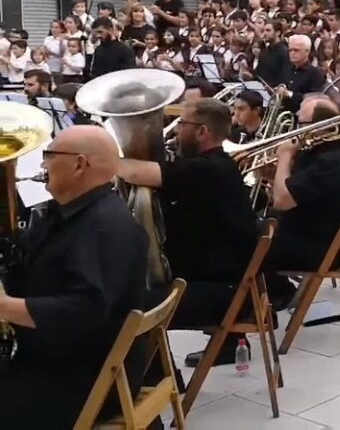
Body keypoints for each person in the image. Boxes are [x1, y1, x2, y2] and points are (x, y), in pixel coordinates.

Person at [0, 125, 148, 429]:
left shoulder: (103, 227)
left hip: (81, 379)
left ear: (80, 164)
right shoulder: (72, 212)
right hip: (62, 361)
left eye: (49, 155)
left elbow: (82, 311)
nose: (42, 164)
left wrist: (4, 307)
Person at [117, 98, 259, 366]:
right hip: (224, 283)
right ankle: (218, 350)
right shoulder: (213, 166)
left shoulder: (209, 170)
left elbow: (137, 172)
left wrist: (99, 158)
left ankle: (156, 379)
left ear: (202, 131)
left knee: (125, 308)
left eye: (182, 124)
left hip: (227, 296)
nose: (175, 130)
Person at [264, 95, 340, 295]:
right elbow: (293, 193)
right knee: (245, 230)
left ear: (320, 126)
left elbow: (282, 201)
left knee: (245, 245)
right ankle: (268, 297)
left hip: (319, 248)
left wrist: (285, 156)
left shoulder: (331, 161)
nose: (296, 130)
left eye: (301, 123)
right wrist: (272, 176)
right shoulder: (320, 151)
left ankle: (277, 296)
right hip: (307, 233)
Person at [279, 34, 325, 115]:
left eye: (296, 50)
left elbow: (314, 98)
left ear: (307, 51)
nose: (292, 53)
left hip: (302, 115)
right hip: (284, 113)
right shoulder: (286, 68)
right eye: (290, 50)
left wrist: (290, 94)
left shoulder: (315, 73)